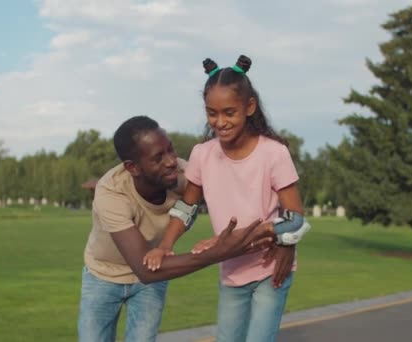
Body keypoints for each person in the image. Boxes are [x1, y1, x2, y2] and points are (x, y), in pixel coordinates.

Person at [143, 55, 311, 342]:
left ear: (249, 107)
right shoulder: (202, 154)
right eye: (212, 113)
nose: (219, 122)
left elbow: (296, 220)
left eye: (229, 113)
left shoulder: (274, 153)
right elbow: (187, 206)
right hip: (232, 270)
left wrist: (273, 238)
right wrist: (165, 246)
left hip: (270, 269)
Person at [77, 115, 274, 342]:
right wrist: (218, 253)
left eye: (170, 150)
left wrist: (278, 234)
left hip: (156, 268)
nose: (171, 161)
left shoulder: (181, 173)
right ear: (133, 167)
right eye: (158, 157)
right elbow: (143, 269)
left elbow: (235, 195)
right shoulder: (111, 193)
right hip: (104, 275)